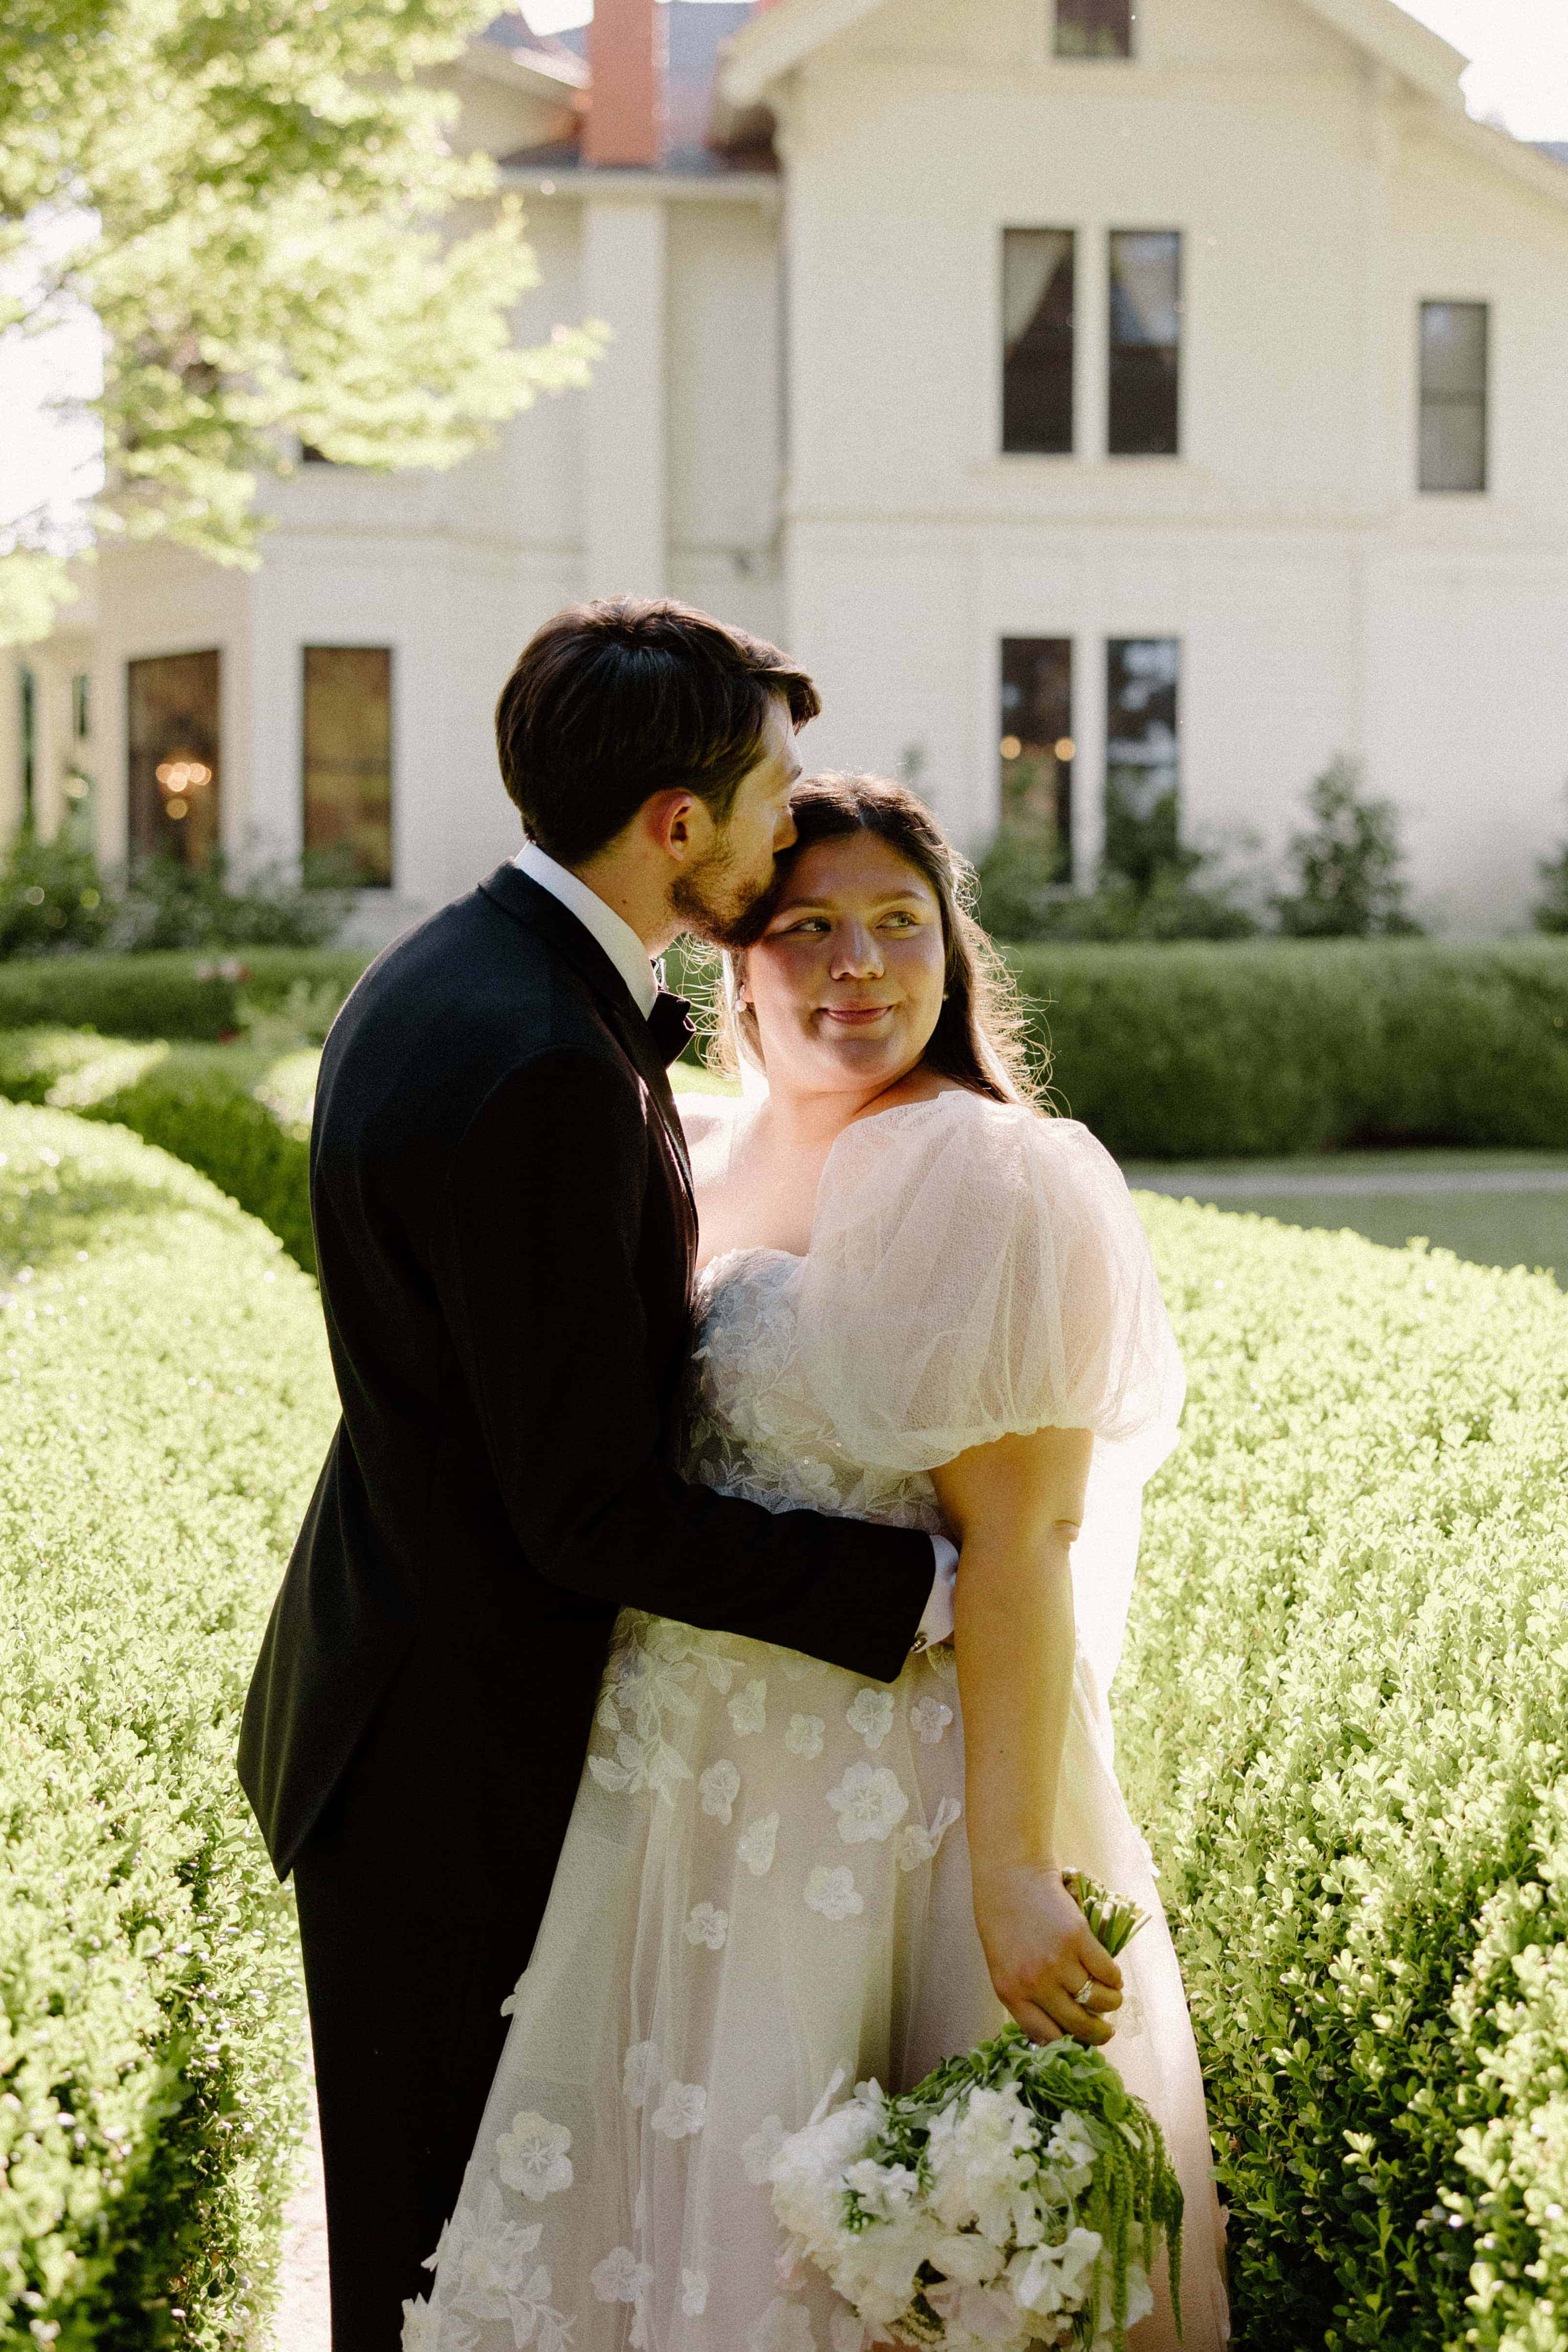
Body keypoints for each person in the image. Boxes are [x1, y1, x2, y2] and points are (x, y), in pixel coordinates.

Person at [408, 772, 1230, 2350]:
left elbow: (1022, 1543)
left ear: (953, 951)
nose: (860, 963)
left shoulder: (983, 1177)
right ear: (739, 959)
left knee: (869, 2242)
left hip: (888, 1812)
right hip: (674, 1788)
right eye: (810, 928)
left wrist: (1007, 1872)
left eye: (900, 923)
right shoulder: (697, 1152)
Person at [238, 608, 958, 2351]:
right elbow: (587, 1510)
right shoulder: (544, 1061)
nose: (793, 829)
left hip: (413, 1698)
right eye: (772, 802)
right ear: (673, 824)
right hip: (453, 1761)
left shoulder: (467, 973)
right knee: (439, 2268)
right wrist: (918, 1588)